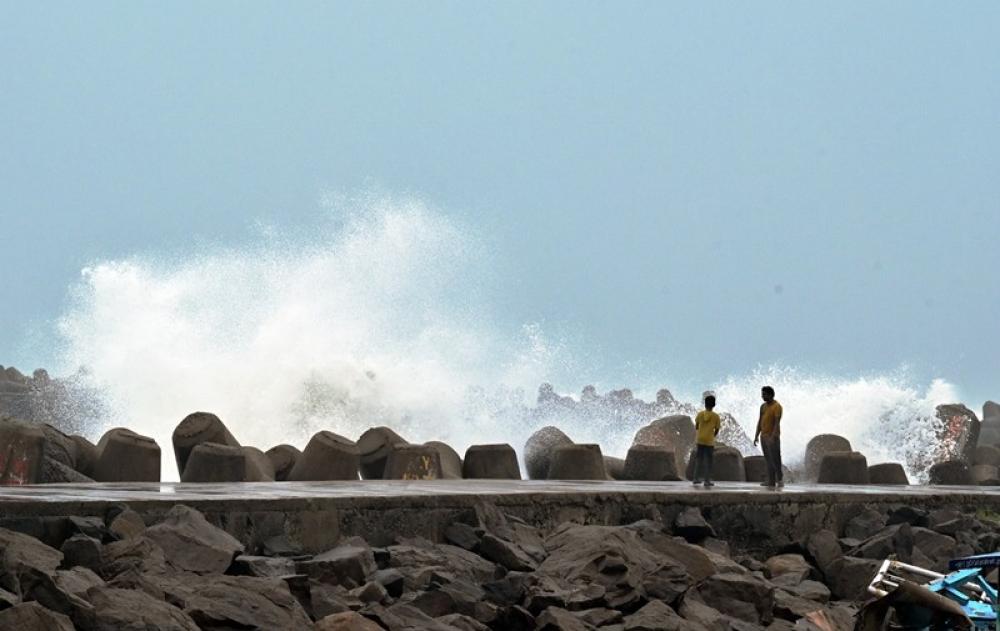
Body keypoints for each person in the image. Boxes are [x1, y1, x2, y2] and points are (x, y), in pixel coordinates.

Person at [753, 385, 784, 489]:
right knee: (768, 460)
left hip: (773, 437)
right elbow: (760, 421)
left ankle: (779, 479)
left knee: (776, 459)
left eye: (764, 394)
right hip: (764, 436)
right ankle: (770, 480)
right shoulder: (763, 406)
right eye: (762, 394)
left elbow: (777, 423)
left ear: (771, 395)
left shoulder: (777, 406)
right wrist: (756, 435)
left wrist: (773, 436)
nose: (763, 396)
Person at [692, 394, 721, 487]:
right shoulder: (716, 416)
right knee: (708, 461)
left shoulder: (700, 414)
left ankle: (695, 479)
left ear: (705, 404)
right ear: (714, 405)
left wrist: (701, 431)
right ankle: (707, 481)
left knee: (699, 459)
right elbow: (717, 429)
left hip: (700, 439)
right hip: (709, 440)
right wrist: (713, 436)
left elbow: (696, 426)